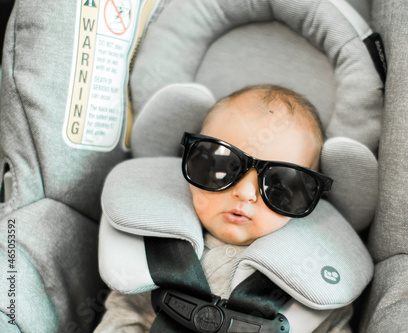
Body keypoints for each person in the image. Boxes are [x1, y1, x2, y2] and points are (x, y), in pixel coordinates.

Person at [95, 85, 353, 332]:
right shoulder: (157, 250)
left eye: (279, 185)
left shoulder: (310, 270)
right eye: (223, 168)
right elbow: (126, 312)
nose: (245, 193)